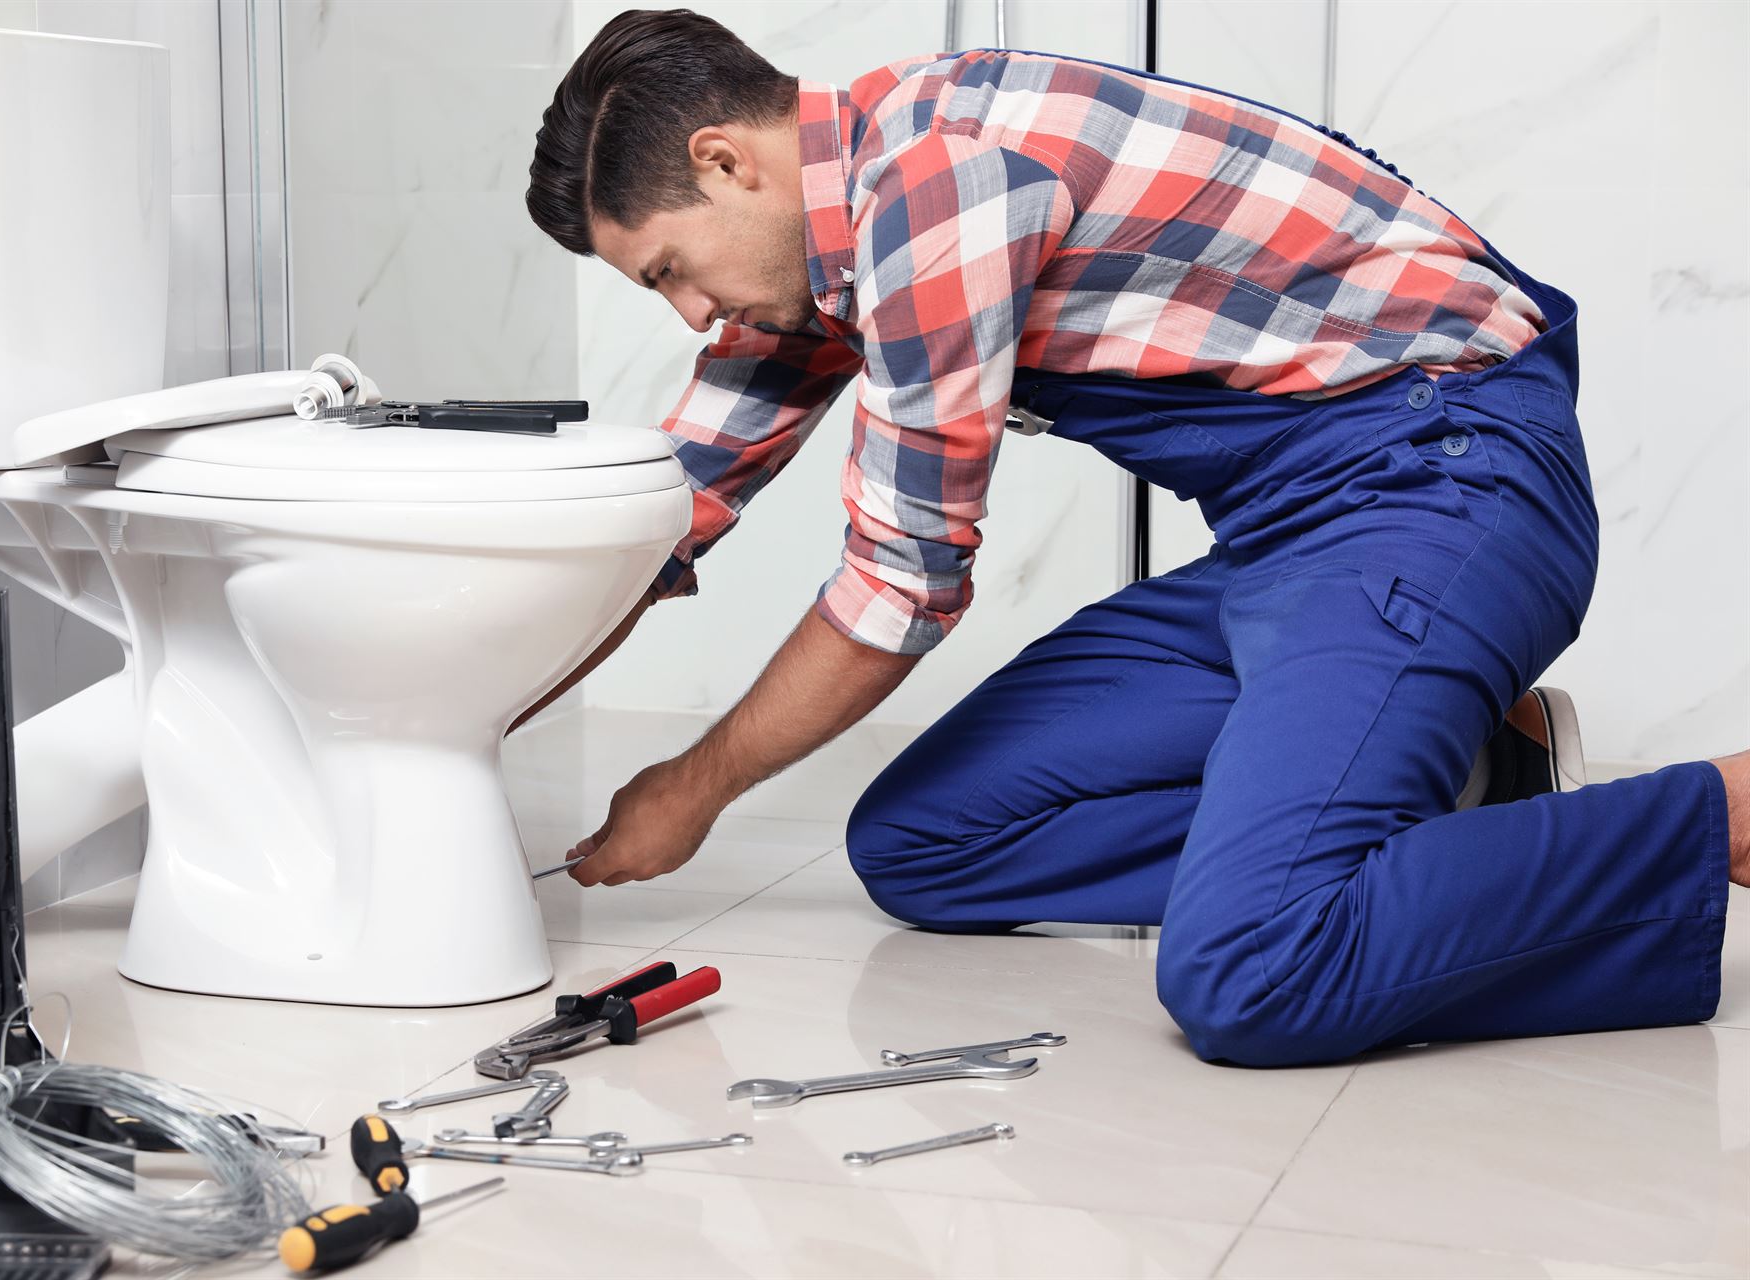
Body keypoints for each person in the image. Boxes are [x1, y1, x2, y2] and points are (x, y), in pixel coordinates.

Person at [518, 8, 1746, 1066]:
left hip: (1441, 484)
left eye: (669, 270)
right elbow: (658, 520)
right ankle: (1482, 776)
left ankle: (1716, 813)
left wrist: (691, 788)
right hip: (1287, 537)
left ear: (725, 161)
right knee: (923, 844)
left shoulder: (936, 187)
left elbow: (899, 588)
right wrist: (470, 714)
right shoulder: (837, 233)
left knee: (1253, 965)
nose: (689, 314)